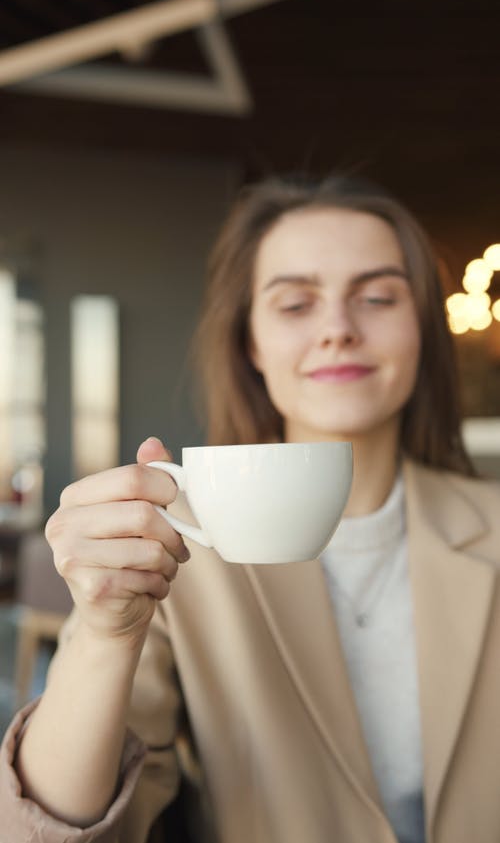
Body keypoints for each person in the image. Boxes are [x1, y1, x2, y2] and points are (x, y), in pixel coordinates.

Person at [2, 173, 500, 843]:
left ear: (423, 329)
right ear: (252, 344)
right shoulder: (173, 545)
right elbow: (40, 831)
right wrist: (103, 631)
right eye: (296, 304)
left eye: (377, 296)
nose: (338, 329)